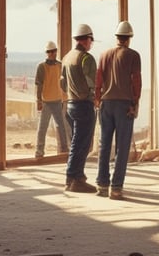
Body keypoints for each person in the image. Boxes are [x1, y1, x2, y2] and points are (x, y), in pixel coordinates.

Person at [94, 21, 142, 200]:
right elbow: (135, 81)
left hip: (106, 104)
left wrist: (97, 99)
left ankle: (102, 184)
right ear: (129, 38)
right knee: (122, 147)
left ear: (117, 38)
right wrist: (135, 103)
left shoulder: (104, 55)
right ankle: (116, 188)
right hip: (124, 105)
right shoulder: (133, 56)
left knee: (104, 144)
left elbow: (98, 80)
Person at [60, 23, 98, 193]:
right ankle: (75, 178)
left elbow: (62, 83)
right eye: (91, 40)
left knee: (77, 141)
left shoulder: (67, 57)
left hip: (71, 104)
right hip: (84, 105)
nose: (91, 44)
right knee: (82, 144)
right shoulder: (86, 58)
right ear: (87, 39)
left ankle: (73, 177)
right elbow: (93, 83)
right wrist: (96, 97)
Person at [34, 40, 69, 158]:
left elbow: (64, 84)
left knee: (61, 126)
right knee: (42, 127)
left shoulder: (60, 65)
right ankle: (39, 151)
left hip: (57, 101)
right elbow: (39, 84)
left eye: (53, 51)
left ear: (56, 52)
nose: (52, 53)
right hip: (46, 101)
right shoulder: (41, 67)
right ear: (47, 53)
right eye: (49, 51)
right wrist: (38, 100)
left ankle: (64, 150)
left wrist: (65, 99)